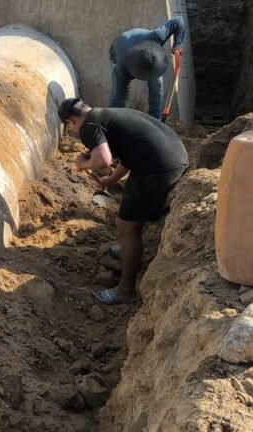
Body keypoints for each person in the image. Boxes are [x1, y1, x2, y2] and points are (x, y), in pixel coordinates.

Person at [58, 97, 188, 305]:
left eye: (70, 127)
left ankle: (125, 290)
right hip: (174, 157)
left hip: (156, 168)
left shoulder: (89, 126)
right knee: (135, 213)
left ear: (70, 121)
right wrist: (112, 179)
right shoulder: (108, 114)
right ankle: (129, 249)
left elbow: (103, 160)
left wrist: (83, 162)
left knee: (126, 225)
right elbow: (130, 153)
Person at [109, 16, 186, 119]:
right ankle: (114, 121)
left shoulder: (156, 37)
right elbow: (119, 99)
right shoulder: (122, 67)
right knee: (118, 96)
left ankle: (155, 120)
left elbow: (178, 21)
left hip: (145, 49)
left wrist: (178, 44)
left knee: (157, 88)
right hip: (119, 46)